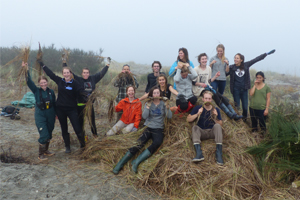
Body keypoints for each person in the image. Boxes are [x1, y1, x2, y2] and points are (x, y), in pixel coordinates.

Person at [113, 86, 172, 174]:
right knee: (139, 143)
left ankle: (136, 161)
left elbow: (169, 116)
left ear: (160, 94)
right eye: (154, 93)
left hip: (158, 128)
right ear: (152, 94)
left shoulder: (163, 103)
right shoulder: (148, 103)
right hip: (148, 126)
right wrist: (147, 107)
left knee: (157, 142)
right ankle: (120, 163)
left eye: (158, 93)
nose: (156, 95)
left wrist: (167, 107)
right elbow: (144, 117)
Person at [38, 60, 86, 153]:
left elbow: (81, 91)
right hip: (60, 110)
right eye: (65, 73)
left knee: (77, 128)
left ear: (71, 73)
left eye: (68, 72)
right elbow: (51, 74)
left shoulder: (75, 83)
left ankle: (83, 145)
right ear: (63, 74)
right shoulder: (60, 81)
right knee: (64, 128)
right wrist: (43, 65)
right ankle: (67, 147)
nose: (66, 74)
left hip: (72, 109)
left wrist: (87, 96)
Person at [226, 49, 275, 120]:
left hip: (244, 90)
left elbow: (256, 59)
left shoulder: (246, 65)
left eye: (237, 58)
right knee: (237, 107)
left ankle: (245, 119)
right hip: (235, 90)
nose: (235, 59)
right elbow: (224, 74)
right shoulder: (232, 67)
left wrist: (266, 54)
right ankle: (238, 120)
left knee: (245, 108)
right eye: (235, 58)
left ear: (241, 60)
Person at [193, 53, 242, 120]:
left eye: (205, 59)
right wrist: (201, 84)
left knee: (221, 96)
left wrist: (215, 76)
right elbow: (193, 82)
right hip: (199, 89)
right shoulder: (196, 69)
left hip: (207, 86)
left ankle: (234, 114)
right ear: (199, 60)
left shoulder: (209, 68)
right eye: (202, 59)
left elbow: (209, 81)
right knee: (215, 95)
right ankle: (228, 113)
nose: (204, 60)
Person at [23, 62, 56, 161]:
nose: (43, 84)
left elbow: (54, 103)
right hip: (40, 115)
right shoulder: (36, 91)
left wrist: (56, 114)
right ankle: (40, 154)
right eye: (41, 83)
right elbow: (29, 82)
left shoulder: (51, 92)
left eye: (45, 82)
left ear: (47, 82)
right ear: (39, 84)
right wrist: (26, 69)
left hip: (50, 114)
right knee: (44, 134)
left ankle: (46, 150)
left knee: (49, 133)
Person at [70, 60, 110, 138]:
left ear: (89, 73)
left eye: (87, 72)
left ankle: (95, 135)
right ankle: (82, 136)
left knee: (92, 122)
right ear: (82, 73)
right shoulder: (78, 80)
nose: (86, 74)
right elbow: (70, 73)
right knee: (81, 122)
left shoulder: (93, 79)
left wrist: (107, 65)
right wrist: (64, 62)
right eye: (84, 72)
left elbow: (101, 73)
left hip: (90, 105)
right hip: (80, 105)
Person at [186, 91, 224, 165]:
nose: (207, 100)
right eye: (206, 98)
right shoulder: (198, 108)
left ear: (211, 100)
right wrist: (197, 114)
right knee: (195, 127)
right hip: (202, 132)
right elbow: (188, 119)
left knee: (217, 126)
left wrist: (215, 116)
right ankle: (199, 153)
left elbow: (220, 124)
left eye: (209, 99)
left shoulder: (215, 109)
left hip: (212, 132)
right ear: (203, 99)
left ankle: (219, 153)